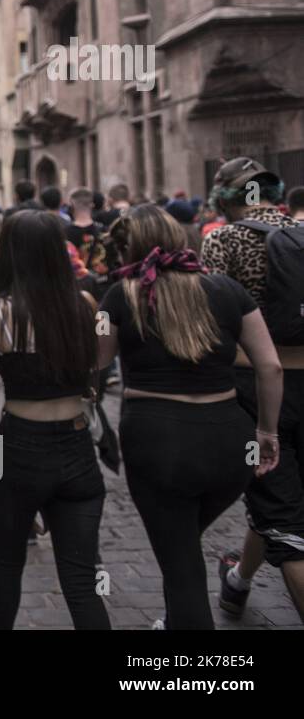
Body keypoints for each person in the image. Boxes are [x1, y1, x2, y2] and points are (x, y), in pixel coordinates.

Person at [101, 204, 282, 630]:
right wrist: (267, 432)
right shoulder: (226, 290)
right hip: (228, 442)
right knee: (179, 546)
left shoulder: (121, 294)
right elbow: (270, 366)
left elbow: (96, 359)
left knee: (180, 563)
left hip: (158, 442)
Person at [0, 210, 109, 629]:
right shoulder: (83, 304)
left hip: (18, 448)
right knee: (82, 580)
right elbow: (96, 366)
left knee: (7, 565)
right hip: (77, 447)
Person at [201, 158, 304, 621]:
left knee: (281, 514)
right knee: (277, 502)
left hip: (258, 387)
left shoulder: (221, 239)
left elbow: (206, 322)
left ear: (225, 197)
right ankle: (238, 583)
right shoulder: (301, 232)